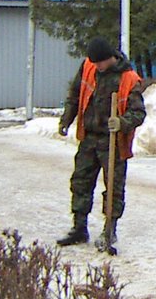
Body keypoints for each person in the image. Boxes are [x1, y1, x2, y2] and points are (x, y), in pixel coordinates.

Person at [56, 37, 146, 251]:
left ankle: (109, 230)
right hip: (89, 137)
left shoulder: (129, 79)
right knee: (81, 180)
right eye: (94, 63)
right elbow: (75, 95)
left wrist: (122, 123)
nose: (97, 67)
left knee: (114, 187)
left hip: (113, 141)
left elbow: (139, 113)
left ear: (110, 59)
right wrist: (66, 119)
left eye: (100, 63)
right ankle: (79, 227)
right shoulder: (88, 67)